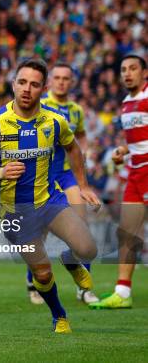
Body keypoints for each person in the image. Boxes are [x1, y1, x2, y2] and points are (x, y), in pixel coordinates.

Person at [0, 58, 100, 333]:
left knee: (88, 248)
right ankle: (59, 315)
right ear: (13, 84)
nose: (27, 89)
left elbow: (74, 148)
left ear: (43, 88)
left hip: (49, 201)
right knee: (42, 273)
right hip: (15, 211)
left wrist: (84, 185)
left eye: (34, 84)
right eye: (22, 82)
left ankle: (71, 259)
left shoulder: (55, 121)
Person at [24, 62, 98, 305]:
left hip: (66, 173)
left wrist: (83, 151)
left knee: (81, 226)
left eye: (66, 78)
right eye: (57, 78)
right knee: (40, 230)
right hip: (45, 172)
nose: (62, 82)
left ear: (71, 82)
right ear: (50, 82)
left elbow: (82, 134)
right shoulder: (41, 104)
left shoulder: (76, 110)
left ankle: (83, 288)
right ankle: (32, 281)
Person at [90, 54, 147, 309]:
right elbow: (138, 138)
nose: (127, 73)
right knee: (127, 232)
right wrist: (123, 150)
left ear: (144, 73)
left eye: (133, 69)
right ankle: (122, 292)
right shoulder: (126, 103)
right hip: (136, 173)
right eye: (124, 69)